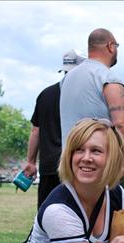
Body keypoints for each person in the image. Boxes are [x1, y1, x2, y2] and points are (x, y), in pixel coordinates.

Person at [60, 28, 124, 176]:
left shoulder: (67, 79)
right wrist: (122, 164)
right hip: (99, 169)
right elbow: (121, 124)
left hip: (70, 164)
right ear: (110, 46)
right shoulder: (109, 79)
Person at [22, 49, 86, 208]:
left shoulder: (45, 94)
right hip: (74, 166)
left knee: (46, 213)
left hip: (48, 166)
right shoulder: (86, 96)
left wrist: (30, 161)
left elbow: (35, 131)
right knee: (74, 214)